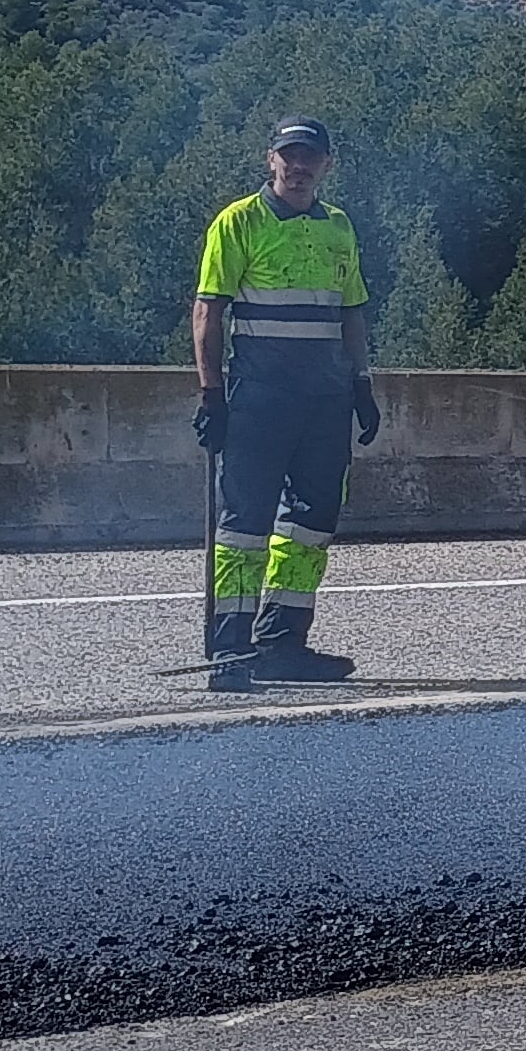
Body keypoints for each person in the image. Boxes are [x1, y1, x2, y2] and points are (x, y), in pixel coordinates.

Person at [190, 116, 378, 686]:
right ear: (271, 160)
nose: (299, 167)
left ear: (327, 163)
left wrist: (362, 384)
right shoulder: (239, 222)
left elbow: (352, 312)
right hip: (259, 398)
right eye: (288, 156)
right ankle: (230, 649)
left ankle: (283, 642)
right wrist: (211, 393)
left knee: (310, 525)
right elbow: (208, 311)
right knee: (244, 525)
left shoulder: (338, 227)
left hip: (324, 401)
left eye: (310, 157)